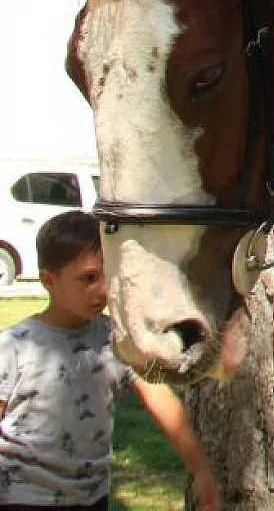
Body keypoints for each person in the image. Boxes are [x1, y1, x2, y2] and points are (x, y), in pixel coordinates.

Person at [0, 212, 220, 510]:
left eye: (108, 275)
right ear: (48, 280)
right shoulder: (14, 346)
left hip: (92, 497)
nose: (103, 290)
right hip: (23, 496)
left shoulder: (115, 339)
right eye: (89, 278)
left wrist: (201, 470)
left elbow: (160, 399)